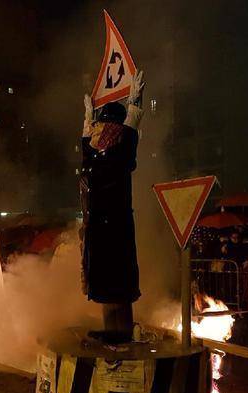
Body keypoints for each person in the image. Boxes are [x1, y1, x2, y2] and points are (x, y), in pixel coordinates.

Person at [80, 70, 145, 343]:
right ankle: (114, 331)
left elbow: (127, 131)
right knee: (111, 283)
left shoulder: (111, 147)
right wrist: (134, 104)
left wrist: (133, 105)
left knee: (114, 282)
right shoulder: (107, 147)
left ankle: (122, 332)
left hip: (109, 223)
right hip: (105, 223)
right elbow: (128, 130)